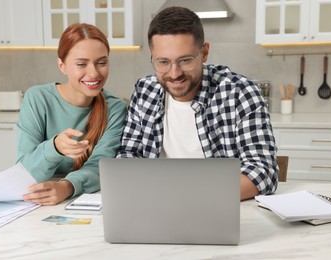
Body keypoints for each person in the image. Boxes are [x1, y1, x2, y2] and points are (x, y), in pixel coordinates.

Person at [116, 6, 278, 200]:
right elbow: (128, 155)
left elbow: (263, 172)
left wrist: (188, 195)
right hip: (155, 206)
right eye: (163, 62)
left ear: (205, 52)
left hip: (215, 207)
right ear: (152, 56)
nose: (174, 73)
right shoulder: (145, 91)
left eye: (185, 60)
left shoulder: (240, 92)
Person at [17, 23, 127, 206]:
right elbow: (23, 173)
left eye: (101, 62)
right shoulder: (38, 98)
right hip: (34, 200)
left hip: (79, 200)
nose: (93, 73)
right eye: (81, 64)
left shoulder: (115, 109)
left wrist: (67, 187)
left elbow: (101, 167)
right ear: (62, 65)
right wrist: (55, 148)